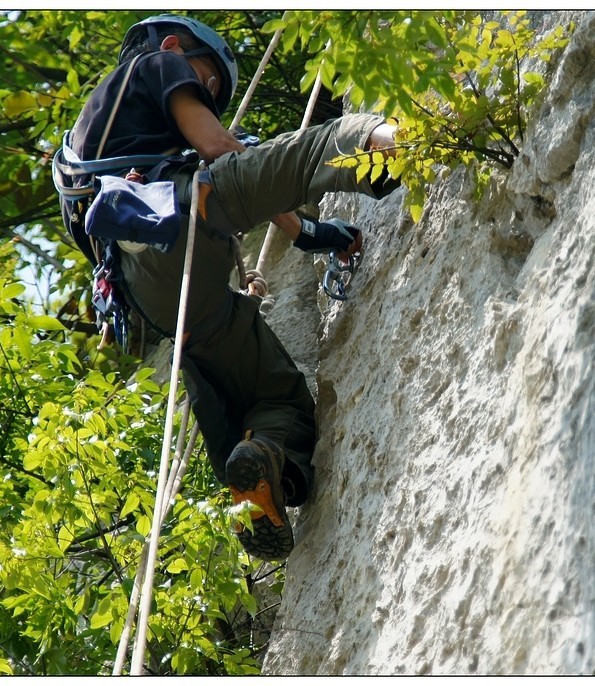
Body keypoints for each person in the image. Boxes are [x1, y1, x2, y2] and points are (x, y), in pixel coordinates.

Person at [55, 14, 399, 561]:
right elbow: (219, 148)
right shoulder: (156, 63)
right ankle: (403, 142)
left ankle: (262, 463)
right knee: (321, 146)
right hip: (181, 217)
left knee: (278, 395)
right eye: (210, 81)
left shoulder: (78, 154)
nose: (209, 94)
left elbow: (230, 180)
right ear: (172, 47)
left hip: (152, 297)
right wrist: (298, 211)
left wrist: (312, 233)